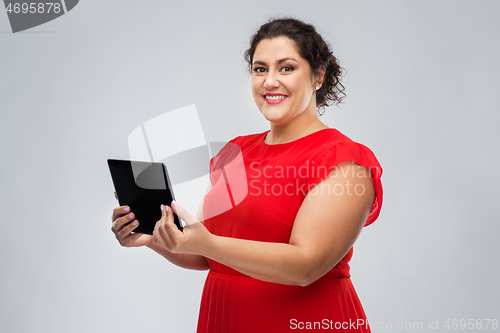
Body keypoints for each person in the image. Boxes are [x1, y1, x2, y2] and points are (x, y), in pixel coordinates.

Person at [111, 17, 383, 333]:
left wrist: (207, 243)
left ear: (318, 76)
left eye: (286, 68)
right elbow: (206, 254)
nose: (270, 81)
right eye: (260, 69)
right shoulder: (235, 152)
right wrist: (151, 238)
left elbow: (306, 266)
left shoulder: (344, 161)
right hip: (226, 319)